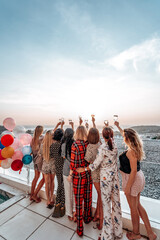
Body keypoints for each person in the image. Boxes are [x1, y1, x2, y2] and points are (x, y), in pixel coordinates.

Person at [77, 127, 123, 240]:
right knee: (116, 203)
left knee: (106, 206)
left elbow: (95, 164)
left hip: (105, 178)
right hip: (115, 178)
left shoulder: (103, 148)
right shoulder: (115, 144)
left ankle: (107, 236)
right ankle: (118, 232)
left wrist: (84, 169)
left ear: (103, 136)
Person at [115, 122, 157, 240]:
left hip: (132, 179)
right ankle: (150, 233)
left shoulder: (131, 151)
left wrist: (127, 187)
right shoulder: (134, 147)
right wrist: (118, 126)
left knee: (133, 209)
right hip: (138, 177)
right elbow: (126, 134)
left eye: (124, 137)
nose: (123, 138)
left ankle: (136, 233)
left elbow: (133, 171)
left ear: (127, 139)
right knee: (137, 205)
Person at [68, 125, 92, 237]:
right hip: (88, 173)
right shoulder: (89, 144)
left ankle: (80, 228)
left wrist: (70, 174)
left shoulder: (75, 145)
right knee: (87, 198)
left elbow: (73, 163)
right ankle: (87, 218)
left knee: (79, 201)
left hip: (78, 175)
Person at [85, 116, 103, 229]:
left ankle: (99, 216)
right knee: (100, 194)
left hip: (95, 173)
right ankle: (97, 214)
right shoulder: (100, 144)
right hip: (102, 172)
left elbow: (87, 159)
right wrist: (93, 122)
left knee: (100, 195)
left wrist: (91, 161)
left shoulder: (90, 147)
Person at [61, 123, 76, 221]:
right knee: (75, 193)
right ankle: (75, 211)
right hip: (75, 170)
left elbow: (63, 156)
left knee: (68, 192)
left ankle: (69, 213)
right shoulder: (75, 144)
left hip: (66, 170)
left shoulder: (63, 144)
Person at [51, 127, 65, 218]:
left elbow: (51, 155)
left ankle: (58, 204)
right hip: (63, 167)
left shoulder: (53, 146)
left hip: (57, 167)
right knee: (62, 187)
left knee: (59, 185)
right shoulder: (63, 145)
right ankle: (60, 205)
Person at [30, 125, 45, 203]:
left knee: (36, 177)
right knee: (44, 179)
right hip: (40, 161)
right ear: (41, 131)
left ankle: (32, 194)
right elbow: (50, 135)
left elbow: (31, 151)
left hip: (34, 160)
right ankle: (34, 195)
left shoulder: (32, 140)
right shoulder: (41, 139)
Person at [41, 130, 55, 208]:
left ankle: (48, 200)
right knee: (52, 182)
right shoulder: (54, 145)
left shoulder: (43, 145)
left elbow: (40, 154)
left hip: (45, 165)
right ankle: (52, 197)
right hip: (53, 165)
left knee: (47, 183)